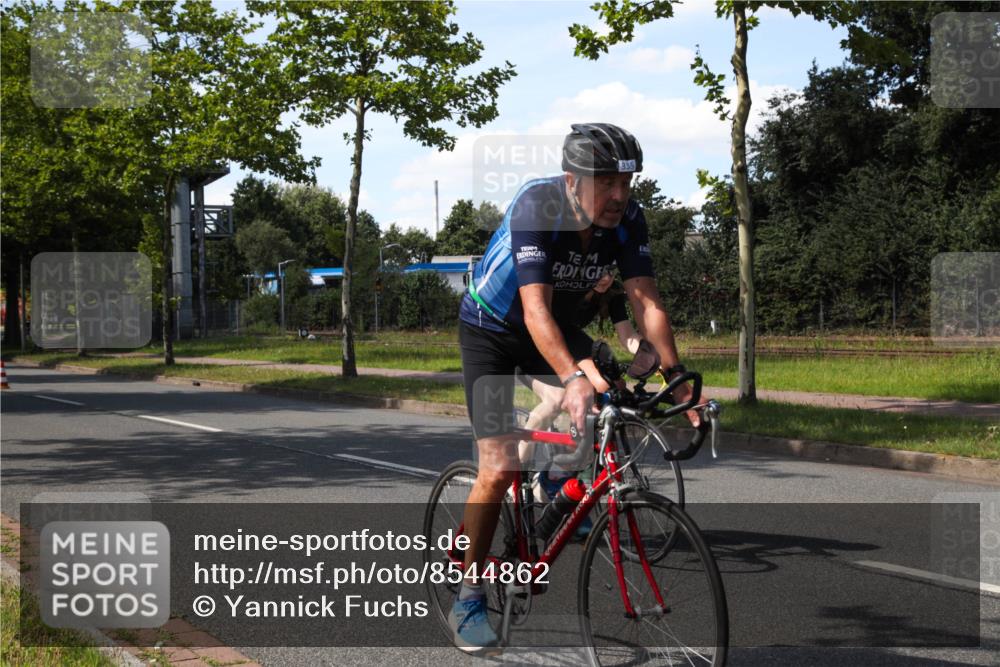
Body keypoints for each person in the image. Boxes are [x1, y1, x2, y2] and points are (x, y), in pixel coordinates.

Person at [452, 123, 705, 653]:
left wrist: (678, 382)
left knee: (606, 406)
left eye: (627, 183)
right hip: (494, 330)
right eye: (606, 183)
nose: (619, 196)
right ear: (572, 180)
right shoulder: (536, 206)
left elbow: (646, 302)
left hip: (557, 331)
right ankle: (469, 594)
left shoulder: (628, 218)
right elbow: (534, 308)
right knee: (498, 467)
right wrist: (570, 376)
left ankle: (552, 499)